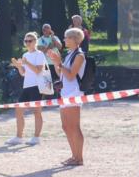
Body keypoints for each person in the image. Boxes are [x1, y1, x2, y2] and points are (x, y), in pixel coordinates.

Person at [45, 28, 86, 166]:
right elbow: (61, 74)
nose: (64, 40)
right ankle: (74, 156)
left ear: (74, 39)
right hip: (65, 93)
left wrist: (60, 63)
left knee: (74, 126)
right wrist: (56, 62)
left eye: (66, 37)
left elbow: (71, 75)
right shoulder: (69, 54)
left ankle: (79, 158)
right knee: (66, 126)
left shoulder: (79, 55)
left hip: (74, 93)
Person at [6, 32, 48, 146]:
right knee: (19, 109)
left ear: (35, 42)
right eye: (26, 41)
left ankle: (36, 137)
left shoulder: (39, 54)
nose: (28, 43)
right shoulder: (25, 55)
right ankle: (19, 137)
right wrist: (19, 66)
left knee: (36, 111)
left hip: (37, 86)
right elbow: (23, 73)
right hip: (27, 86)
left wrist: (27, 63)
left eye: (30, 41)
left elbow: (38, 71)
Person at [36, 24, 63, 89]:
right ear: (42, 30)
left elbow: (60, 47)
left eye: (48, 29)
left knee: (58, 83)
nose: (46, 31)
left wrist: (53, 37)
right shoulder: (39, 40)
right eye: (44, 29)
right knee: (48, 85)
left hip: (57, 64)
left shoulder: (55, 38)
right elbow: (41, 51)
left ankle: (58, 94)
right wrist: (50, 46)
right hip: (46, 64)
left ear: (50, 30)